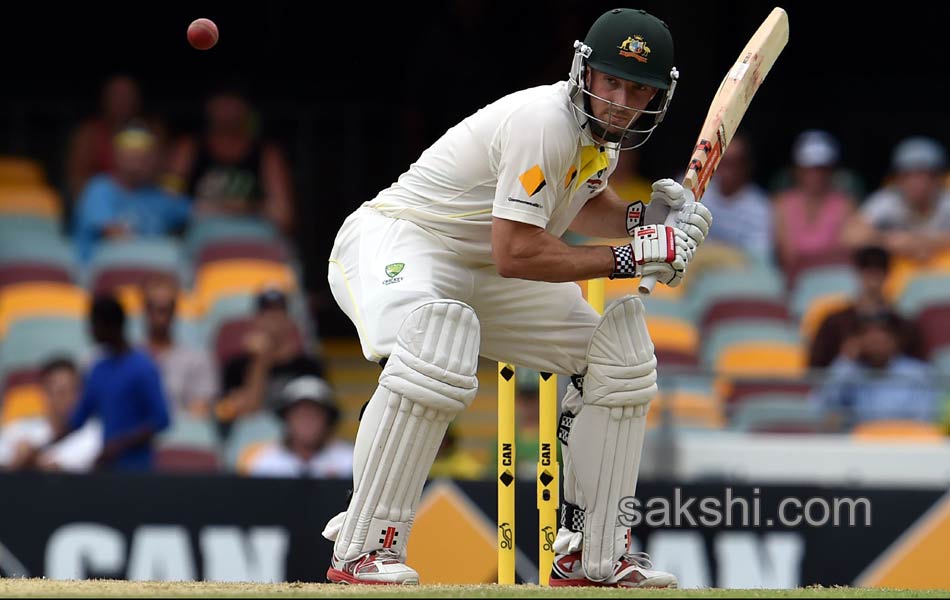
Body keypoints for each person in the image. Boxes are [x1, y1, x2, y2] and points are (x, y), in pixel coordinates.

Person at [322, 8, 712, 587]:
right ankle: (363, 547)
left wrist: (646, 219)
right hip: (403, 238)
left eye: (638, 89)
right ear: (585, 72)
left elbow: (581, 204)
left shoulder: (596, 143)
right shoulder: (544, 121)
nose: (621, 101)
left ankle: (592, 555)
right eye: (612, 82)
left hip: (484, 266)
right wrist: (635, 256)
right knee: (436, 345)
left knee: (618, 358)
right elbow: (519, 253)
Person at [18, 296, 170, 471]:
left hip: (137, 469)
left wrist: (118, 445)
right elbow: (77, 421)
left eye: (94, 323)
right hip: (107, 470)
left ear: (110, 325)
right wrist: (43, 447)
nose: (90, 330)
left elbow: (161, 420)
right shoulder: (98, 369)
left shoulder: (143, 367)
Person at [163, 88, 295, 236]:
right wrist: (221, 209)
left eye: (234, 101)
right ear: (209, 106)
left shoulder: (266, 153)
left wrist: (243, 209)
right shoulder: (188, 148)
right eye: (222, 101)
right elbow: (167, 202)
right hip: (198, 238)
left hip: (254, 236)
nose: (227, 109)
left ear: (246, 108)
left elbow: (283, 216)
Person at [72, 123, 191, 263]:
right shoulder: (100, 188)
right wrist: (169, 248)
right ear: (116, 156)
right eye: (130, 155)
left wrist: (175, 177)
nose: (137, 162)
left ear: (154, 159)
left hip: (151, 274)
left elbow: (202, 211)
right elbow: (115, 237)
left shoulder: (158, 196)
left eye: (143, 156)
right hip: (107, 275)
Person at [811, 310, 939, 431]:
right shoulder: (850, 372)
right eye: (867, 333)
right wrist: (846, 361)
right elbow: (821, 405)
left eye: (881, 333)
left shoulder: (917, 374)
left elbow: (925, 421)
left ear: (895, 339)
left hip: (906, 446)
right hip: (858, 447)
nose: (875, 340)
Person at [217, 287, 325, 423]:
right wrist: (262, 360)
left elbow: (316, 416)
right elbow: (246, 411)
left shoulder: (307, 365)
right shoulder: (236, 365)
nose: (273, 320)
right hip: (249, 436)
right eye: (267, 314)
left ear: (290, 320)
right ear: (256, 320)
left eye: (279, 313)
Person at [808, 245, 925, 369]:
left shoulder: (904, 327)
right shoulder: (835, 324)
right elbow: (815, 371)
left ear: (887, 275)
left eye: (878, 272)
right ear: (858, 274)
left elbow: (920, 371)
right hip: (848, 386)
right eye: (868, 272)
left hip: (892, 386)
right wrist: (845, 358)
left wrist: (892, 355)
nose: (873, 280)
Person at [843, 136, 950, 261]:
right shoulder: (888, 199)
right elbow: (850, 236)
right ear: (898, 178)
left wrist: (924, 242)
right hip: (900, 273)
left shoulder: (946, 198)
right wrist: (887, 240)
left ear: (938, 177)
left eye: (924, 175)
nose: (916, 183)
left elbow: (922, 245)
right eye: (908, 175)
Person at [65, 74, 165, 203]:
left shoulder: (153, 130)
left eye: (128, 95)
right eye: (116, 94)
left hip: (145, 199)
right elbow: (76, 176)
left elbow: (163, 175)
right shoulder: (89, 133)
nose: (122, 100)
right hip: (103, 202)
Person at [772, 130, 857, 272]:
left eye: (822, 169)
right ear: (797, 170)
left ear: (831, 170)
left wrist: (808, 258)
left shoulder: (846, 205)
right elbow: (787, 256)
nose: (816, 175)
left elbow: (846, 254)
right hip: (795, 284)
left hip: (834, 279)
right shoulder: (781, 205)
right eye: (809, 168)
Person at [0, 357, 101, 472]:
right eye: (61, 392)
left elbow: (56, 467)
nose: (71, 399)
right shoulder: (18, 430)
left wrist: (30, 458)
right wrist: (15, 461)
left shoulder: (93, 433)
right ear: (45, 394)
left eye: (75, 391)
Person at [140, 273, 219, 418]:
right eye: (154, 307)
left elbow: (200, 411)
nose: (160, 315)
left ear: (174, 309)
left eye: (166, 308)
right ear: (145, 309)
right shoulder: (125, 358)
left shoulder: (197, 359)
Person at [245, 375, 354, 478]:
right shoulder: (266, 462)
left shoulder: (349, 463)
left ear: (328, 420)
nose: (307, 422)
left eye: (314, 415)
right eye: (300, 415)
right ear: (286, 418)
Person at [695, 134, 772, 258]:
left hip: (737, 274)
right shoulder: (693, 189)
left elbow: (758, 259)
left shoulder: (760, 208)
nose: (726, 170)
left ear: (747, 166)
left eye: (733, 163)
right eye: (721, 161)